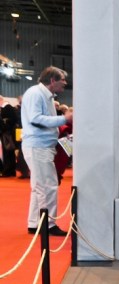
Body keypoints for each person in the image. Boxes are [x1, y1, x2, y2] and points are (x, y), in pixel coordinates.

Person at [21, 66, 73, 236]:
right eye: (62, 80)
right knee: (48, 186)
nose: (64, 83)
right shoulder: (36, 94)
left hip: (41, 145)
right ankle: (48, 224)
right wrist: (64, 119)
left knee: (39, 187)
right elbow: (35, 119)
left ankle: (35, 223)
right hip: (38, 146)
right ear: (52, 80)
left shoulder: (44, 95)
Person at [1, 96, 21, 177]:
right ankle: (9, 170)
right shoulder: (7, 108)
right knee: (8, 152)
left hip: (7, 133)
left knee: (8, 152)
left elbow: (14, 119)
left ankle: (8, 171)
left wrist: (5, 122)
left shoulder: (7, 108)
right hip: (7, 133)